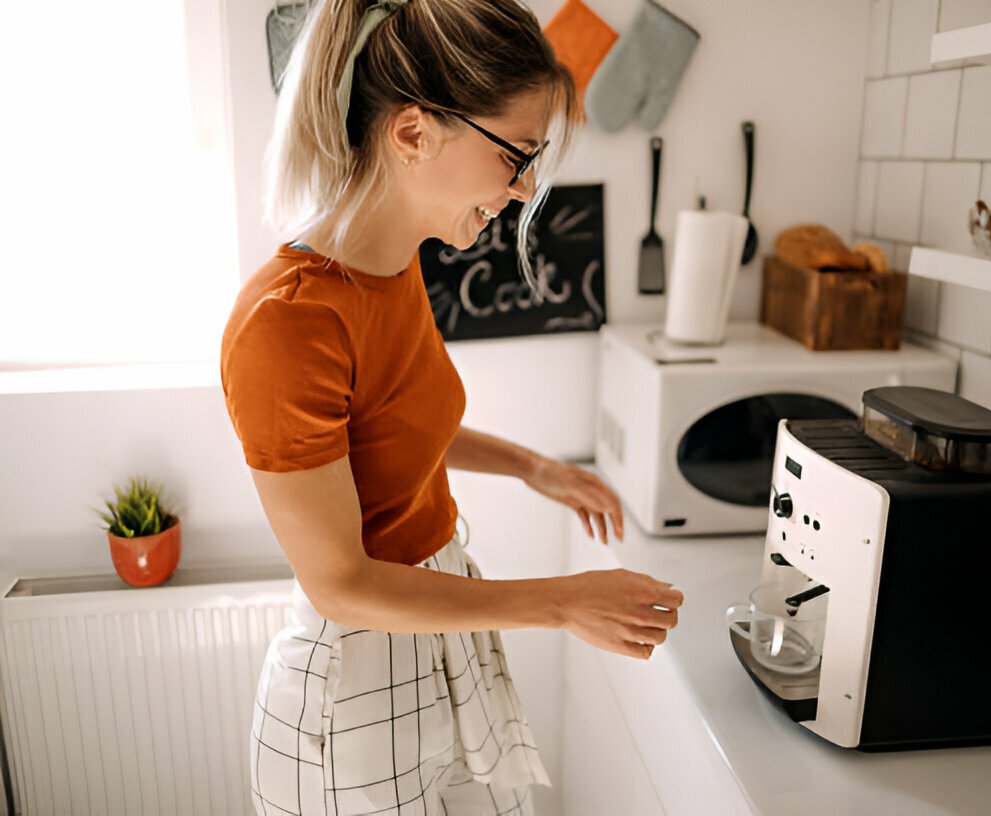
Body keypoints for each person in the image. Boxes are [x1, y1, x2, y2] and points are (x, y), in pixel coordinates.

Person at [218, 1, 685, 814]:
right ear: (413, 134)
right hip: (355, 689)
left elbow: (395, 426)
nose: (526, 187)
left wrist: (537, 467)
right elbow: (340, 585)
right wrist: (562, 599)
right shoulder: (286, 322)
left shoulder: (393, 267)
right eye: (517, 155)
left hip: (432, 642)